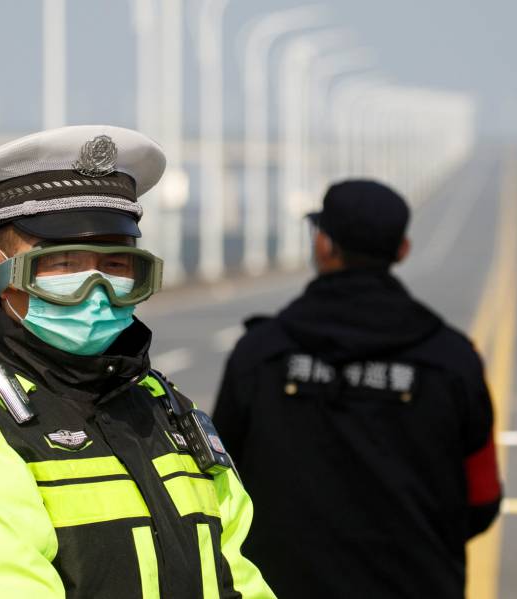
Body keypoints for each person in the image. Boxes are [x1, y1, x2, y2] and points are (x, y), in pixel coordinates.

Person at [0, 125, 274, 599]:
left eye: (117, 267)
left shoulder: (167, 412)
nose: (95, 290)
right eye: (63, 266)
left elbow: (240, 578)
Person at [213, 180, 502, 598]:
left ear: (325, 245)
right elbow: (483, 498)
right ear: (402, 250)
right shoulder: (452, 360)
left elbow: (222, 485)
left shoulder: (260, 355)